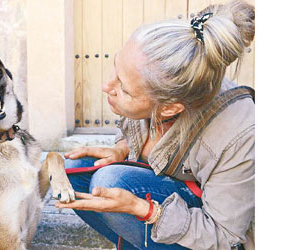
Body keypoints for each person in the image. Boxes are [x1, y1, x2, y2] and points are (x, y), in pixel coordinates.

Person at [55, 1, 255, 249]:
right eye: (116, 68)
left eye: (124, 89)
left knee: (111, 180)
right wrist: (123, 147)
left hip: (210, 233)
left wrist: (142, 209)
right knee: (74, 170)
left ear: (170, 108)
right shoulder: (159, 77)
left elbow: (223, 237)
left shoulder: (241, 133)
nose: (107, 86)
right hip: (169, 196)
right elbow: (132, 125)